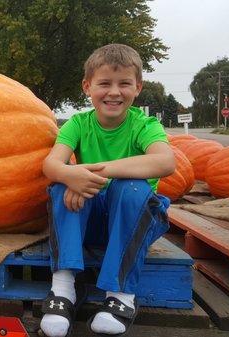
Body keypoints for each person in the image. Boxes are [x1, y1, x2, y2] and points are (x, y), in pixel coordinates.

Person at [40, 44, 175, 337]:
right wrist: (70, 175)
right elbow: (51, 165)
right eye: (104, 83)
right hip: (92, 220)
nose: (114, 92)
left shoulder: (145, 125)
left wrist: (92, 172)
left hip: (132, 221)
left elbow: (166, 161)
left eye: (124, 83)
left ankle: (120, 294)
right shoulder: (77, 124)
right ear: (87, 87)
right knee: (61, 184)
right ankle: (63, 290)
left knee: (132, 188)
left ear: (137, 87)